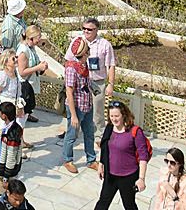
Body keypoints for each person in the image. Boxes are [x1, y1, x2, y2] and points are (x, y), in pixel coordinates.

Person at [95, 100, 152, 209]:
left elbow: (143, 157)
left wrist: (141, 179)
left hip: (128, 176)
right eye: (111, 116)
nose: (114, 119)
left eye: (116, 116)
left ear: (124, 115)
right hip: (110, 175)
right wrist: (101, 165)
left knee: (129, 205)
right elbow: (105, 148)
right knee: (102, 203)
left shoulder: (135, 131)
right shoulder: (109, 128)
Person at [60, 36, 98, 172]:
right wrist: (74, 115)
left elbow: (86, 83)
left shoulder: (84, 65)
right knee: (71, 134)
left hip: (87, 104)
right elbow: (69, 93)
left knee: (89, 133)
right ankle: (67, 159)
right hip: (76, 106)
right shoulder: (72, 68)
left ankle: (91, 159)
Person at [72, 17, 118, 106]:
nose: (86, 31)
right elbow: (68, 60)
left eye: (89, 29)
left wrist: (111, 84)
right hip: (80, 82)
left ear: (96, 30)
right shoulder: (78, 41)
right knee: (80, 110)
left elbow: (111, 65)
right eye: (84, 28)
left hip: (97, 83)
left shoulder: (105, 44)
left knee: (97, 114)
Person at [17, 25, 48, 123]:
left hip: (31, 82)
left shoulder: (32, 48)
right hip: (24, 83)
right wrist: (37, 68)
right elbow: (22, 72)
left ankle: (27, 116)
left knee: (29, 105)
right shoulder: (23, 51)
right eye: (37, 37)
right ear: (31, 38)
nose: (39, 40)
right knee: (24, 105)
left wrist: (41, 66)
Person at [0, 100, 24, 195]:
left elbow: (11, 157)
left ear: (4, 116)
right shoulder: (12, 128)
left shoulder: (12, 134)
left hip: (7, 173)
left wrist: (5, 178)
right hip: (5, 170)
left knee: (0, 195)